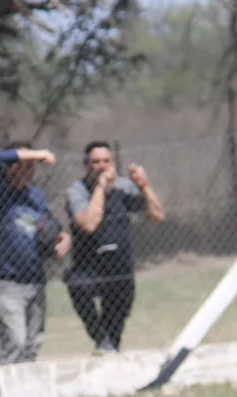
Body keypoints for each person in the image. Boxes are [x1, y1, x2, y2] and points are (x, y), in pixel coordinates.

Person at [66, 142, 165, 355]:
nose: (102, 166)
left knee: (116, 322)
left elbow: (157, 215)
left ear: (113, 163)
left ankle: (109, 350)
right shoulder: (78, 191)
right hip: (89, 268)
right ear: (86, 165)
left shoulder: (123, 187)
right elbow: (89, 224)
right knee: (76, 284)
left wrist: (144, 185)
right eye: (96, 162)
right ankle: (101, 340)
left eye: (106, 161)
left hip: (119, 267)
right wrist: (101, 188)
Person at [0, 142, 71, 365]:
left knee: (32, 343)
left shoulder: (35, 196)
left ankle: (24, 393)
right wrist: (39, 154)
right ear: (10, 168)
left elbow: (51, 225)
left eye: (31, 168)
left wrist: (64, 238)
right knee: (15, 342)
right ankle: (3, 393)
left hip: (35, 279)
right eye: (22, 166)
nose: (27, 172)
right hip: (5, 280)